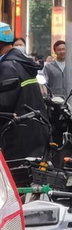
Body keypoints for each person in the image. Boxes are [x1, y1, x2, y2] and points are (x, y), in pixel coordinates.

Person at [0, 22, 49, 160]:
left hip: (16, 137)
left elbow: (4, 104)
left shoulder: (8, 67)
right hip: (32, 132)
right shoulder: (22, 63)